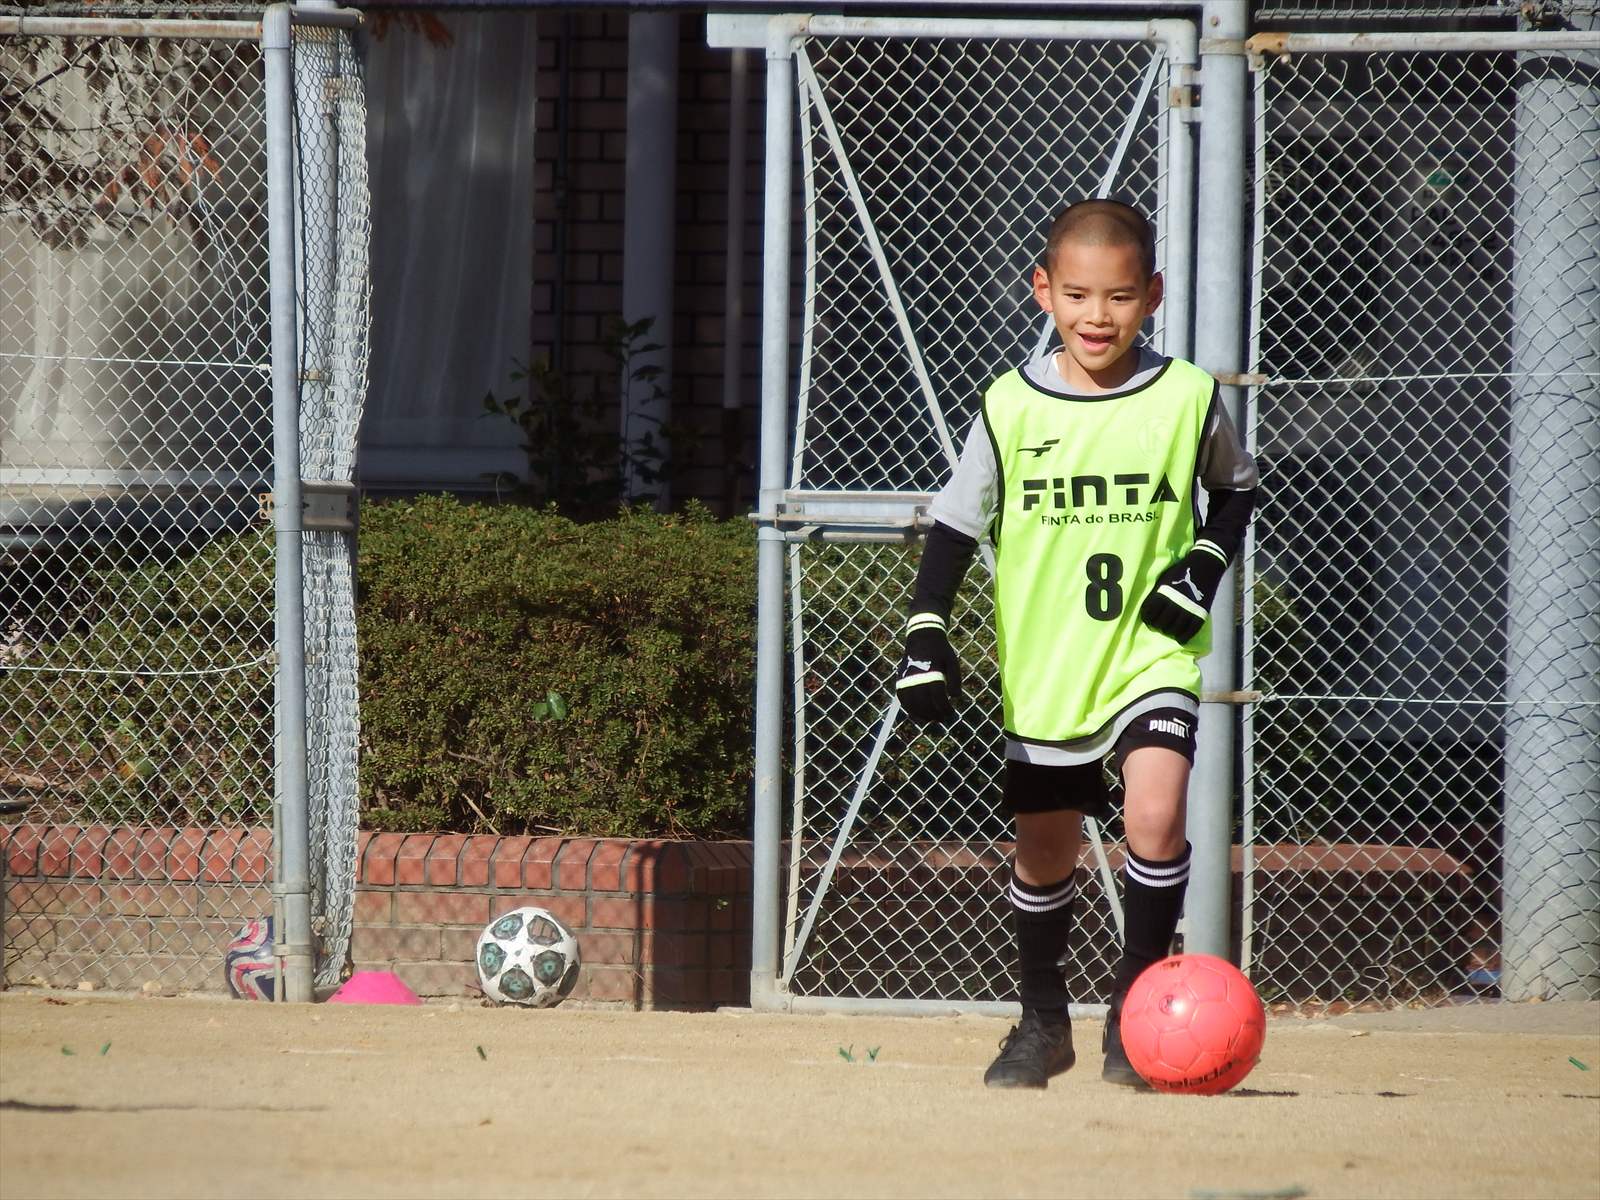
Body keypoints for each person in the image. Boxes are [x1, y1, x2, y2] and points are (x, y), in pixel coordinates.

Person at [894, 199, 1258, 1089]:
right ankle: (1042, 1022)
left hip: (1150, 656)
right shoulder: (1010, 405)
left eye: (1121, 297)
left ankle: (1135, 1018)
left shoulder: (1187, 396)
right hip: (1049, 669)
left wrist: (1200, 567)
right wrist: (926, 629)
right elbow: (955, 523)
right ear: (1043, 291)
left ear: (1153, 296)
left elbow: (1236, 490)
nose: (1099, 316)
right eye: (1080, 295)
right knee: (1044, 851)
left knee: (1156, 817)